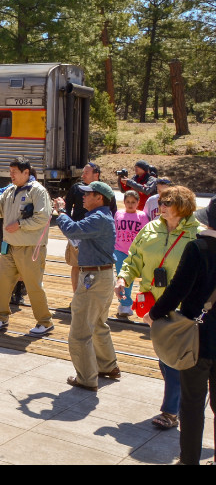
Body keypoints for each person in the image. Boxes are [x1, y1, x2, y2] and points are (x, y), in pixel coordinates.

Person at [116, 185, 199, 431]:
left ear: (182, 207)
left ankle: (171, 411)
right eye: (161, 202)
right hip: (153, 305)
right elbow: (134, 258)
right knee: (165, 358)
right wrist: (123, 278)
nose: (160, 207)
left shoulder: (198, 233)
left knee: (174, 359)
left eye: (167, 203)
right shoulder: (150, 228)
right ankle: (184, 400)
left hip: (184, 307)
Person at [144, 199, 216, 465]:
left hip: (195, 339)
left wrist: (153, 314)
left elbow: (177, 290)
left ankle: (189, 460)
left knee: (192, 405)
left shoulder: (197, 248)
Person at [0, 156, 54, 336]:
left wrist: (20, 225)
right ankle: (0, 317)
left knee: (33, 286)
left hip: (30, 248)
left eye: (14, 172)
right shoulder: (10, 191)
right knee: (3, 284)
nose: (11, 175)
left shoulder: (38, 191)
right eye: (10, 171)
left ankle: (45, 322)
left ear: (26, 173)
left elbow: (43, 218)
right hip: (10, 246)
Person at [52, 181, 120, 391]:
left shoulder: (98, 217)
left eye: (88, 193)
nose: (83, 196)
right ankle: (108, 366)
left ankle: (87, 378)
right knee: (99, 325)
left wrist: (61, 211)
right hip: (103, 276)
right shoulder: (101, 216)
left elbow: (72, 230)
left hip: (93, 277)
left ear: (99, 198)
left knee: (80, 331)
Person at [63, 162, 108, 293]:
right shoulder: (76, 188)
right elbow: (66, 209)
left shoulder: (104, 190)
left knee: (95, 266)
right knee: (76, 265)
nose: (82, 175)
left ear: (96, 175)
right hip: (77, 233)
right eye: (82, 172)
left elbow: (112, 212)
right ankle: (77, 295)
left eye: (86, 173)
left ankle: (91, 294)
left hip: (96, 235)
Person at [113, 190, 149, 317]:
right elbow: (115, 230)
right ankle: (125, 304)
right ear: (124, 202)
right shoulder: (118, 213)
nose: (130, 204)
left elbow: (146, 234)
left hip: (135, 252)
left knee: (134, 278)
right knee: (122, 277)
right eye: (127, 202)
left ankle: (140, 303)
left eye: (133, 202)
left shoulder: (142, 216)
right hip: (119, 250)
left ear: (138, 202)